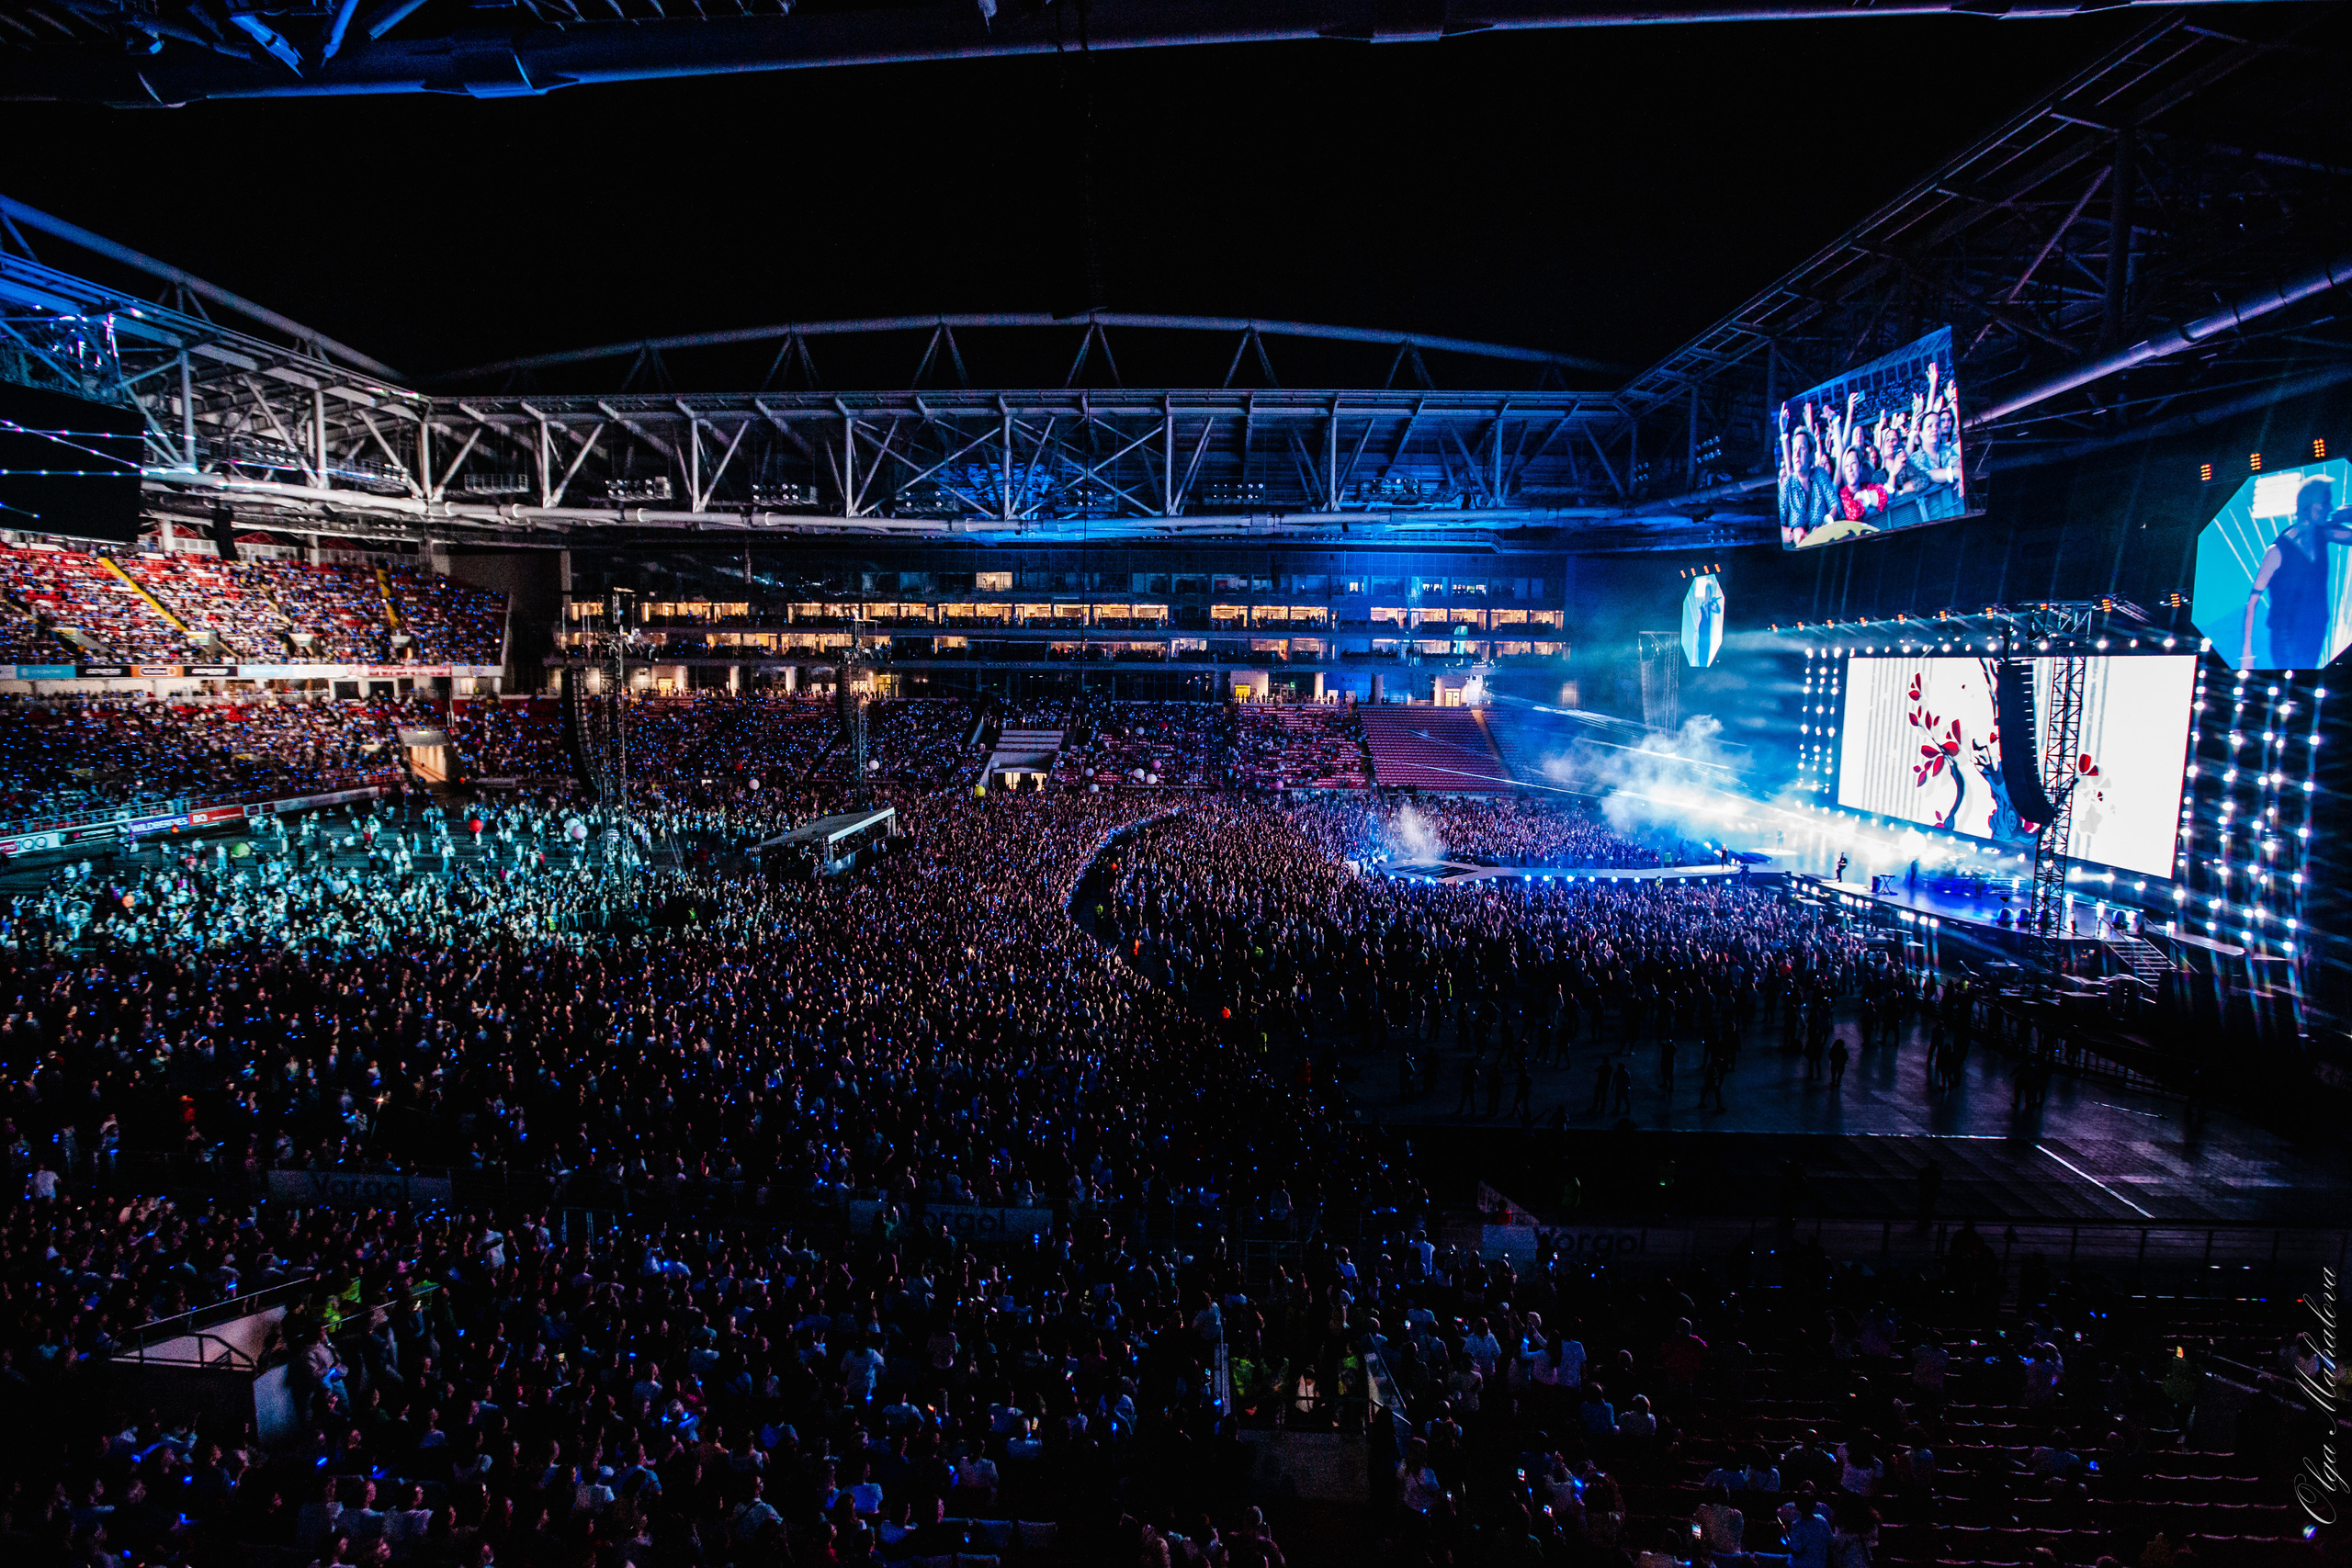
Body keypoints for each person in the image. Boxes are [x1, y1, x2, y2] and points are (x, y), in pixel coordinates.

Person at [2241, 476, 2352, 670]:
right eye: (2324, 502)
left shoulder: (2323, 533)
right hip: (2287, 635)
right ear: (2308, 506)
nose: (2329, 507)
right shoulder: (2277, 551)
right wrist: (2246, 652)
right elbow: (2252, 602)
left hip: (2316, 627)